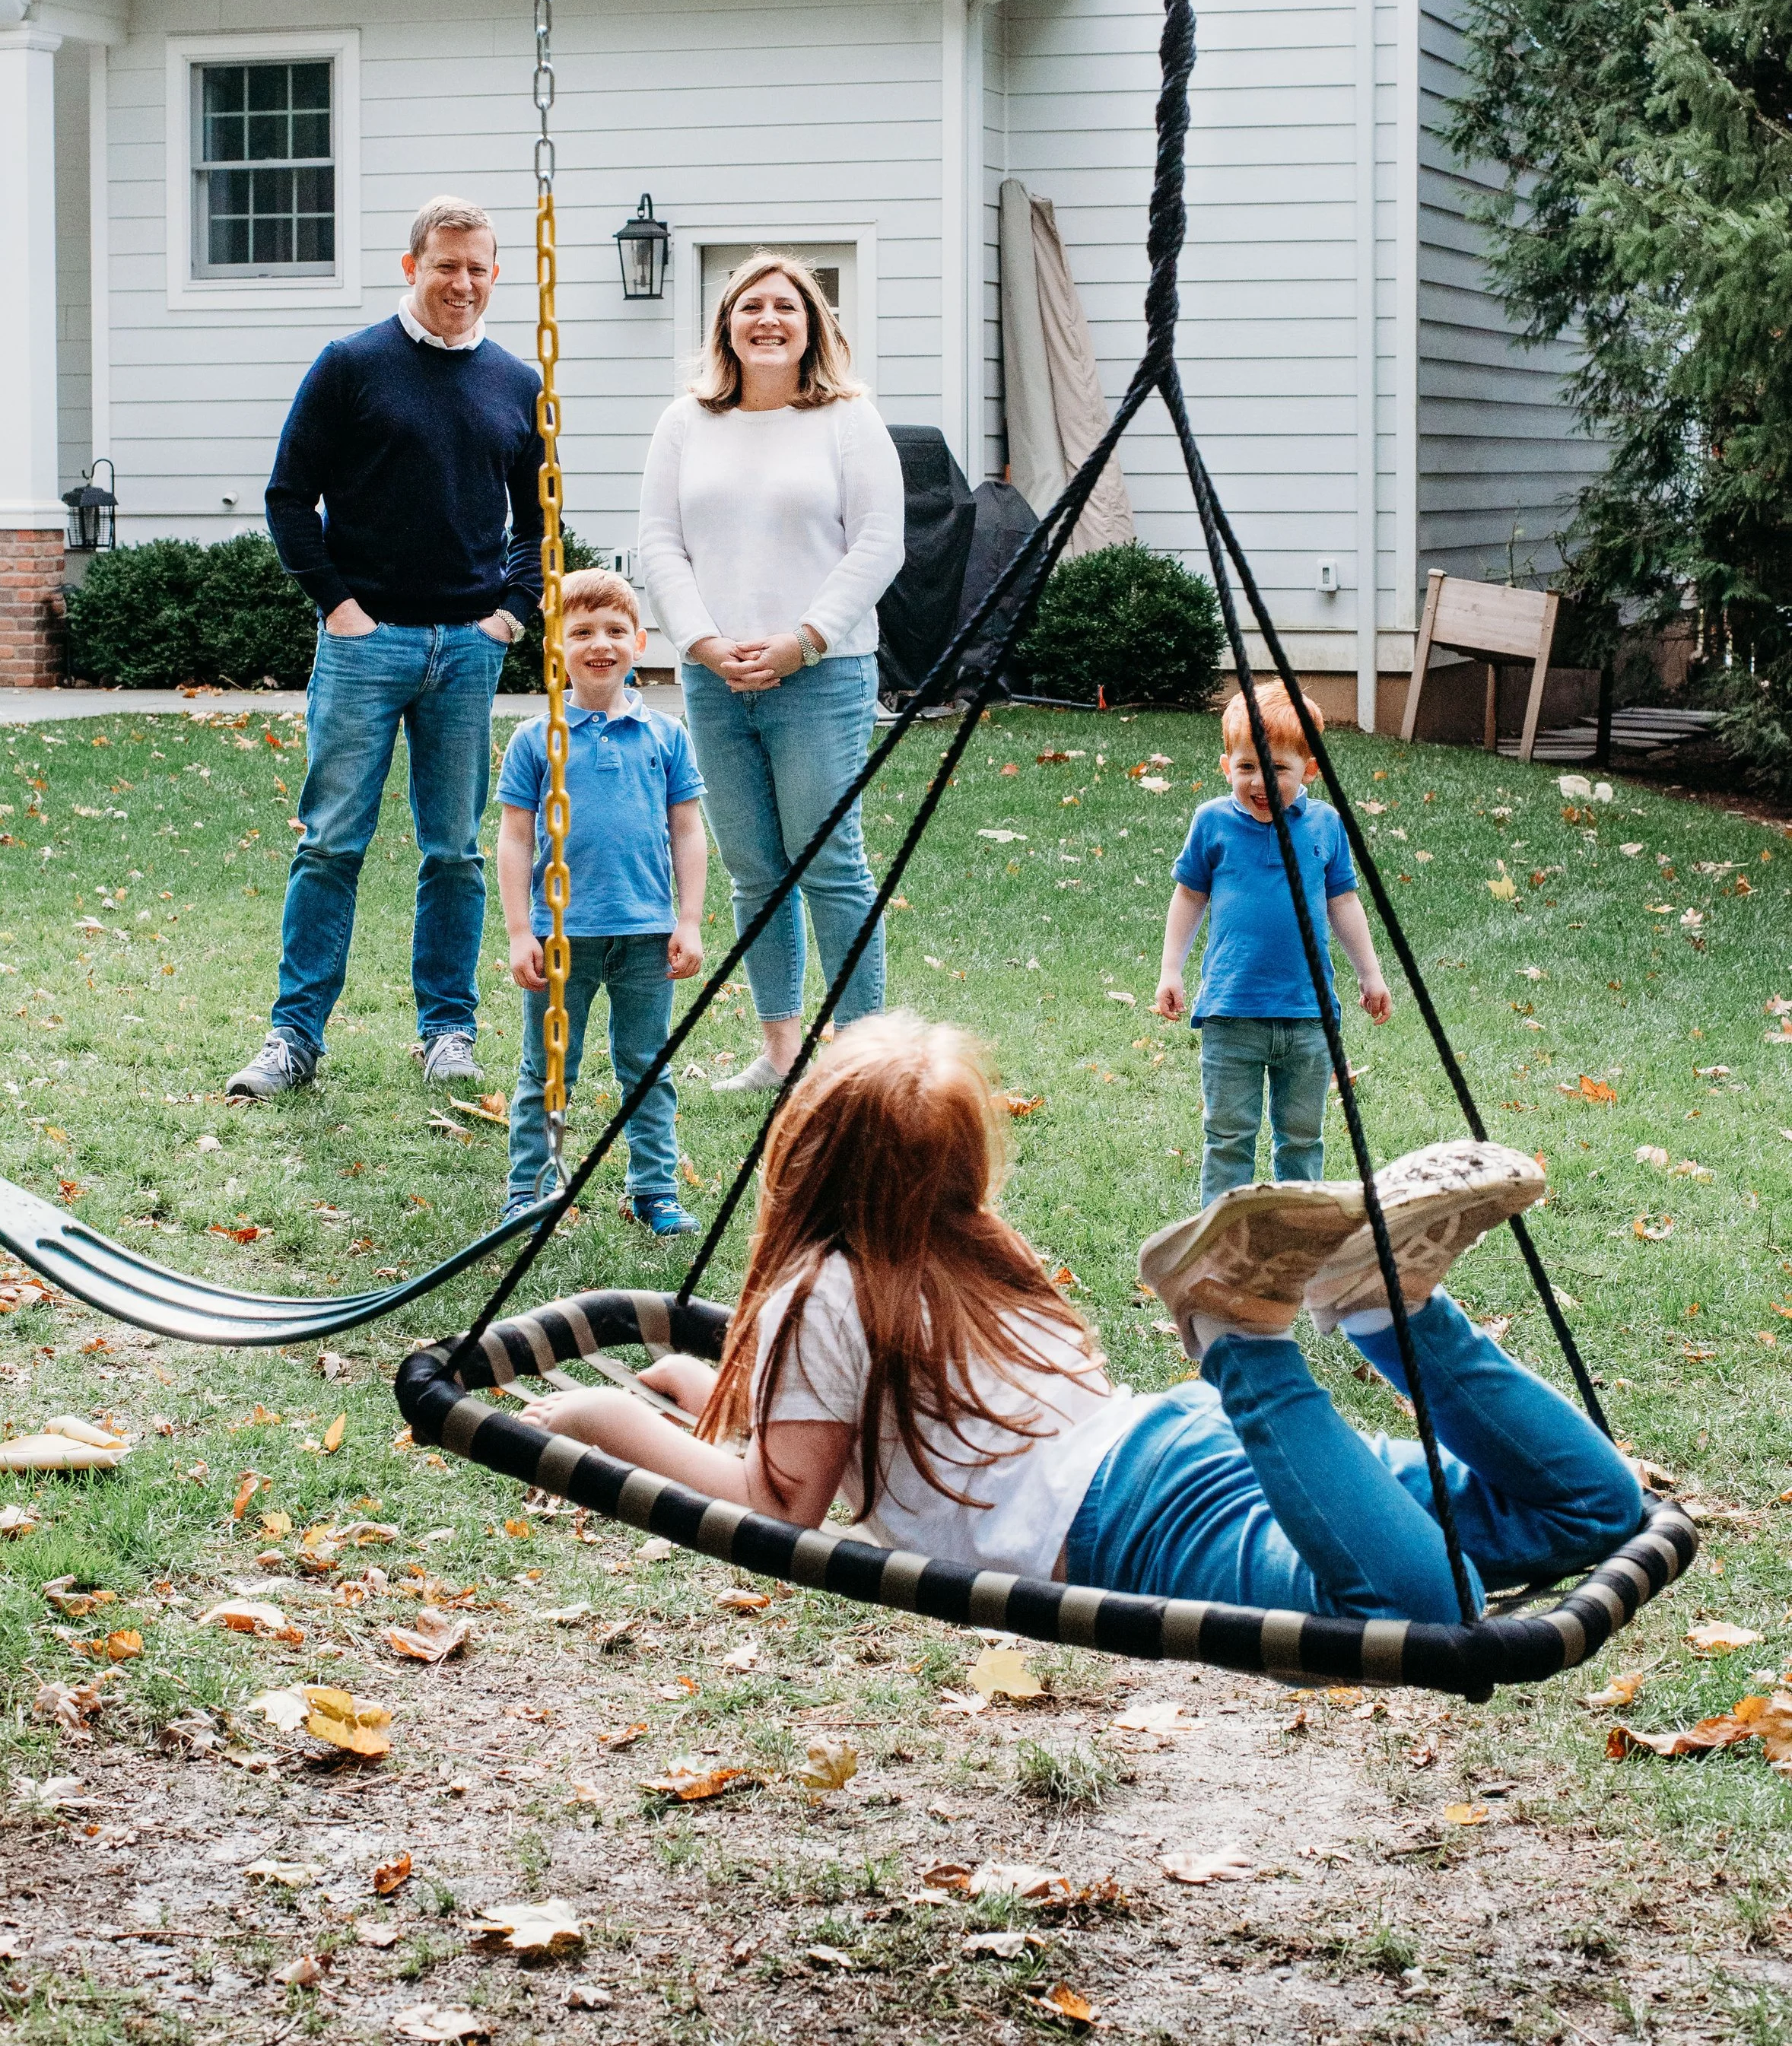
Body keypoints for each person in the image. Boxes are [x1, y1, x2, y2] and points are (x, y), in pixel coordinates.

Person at [527, 1016, 1643, 1628]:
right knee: (1597, 1511)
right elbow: (864, 1425)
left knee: (1425, 1610)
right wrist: (705, 1397)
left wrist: (599, 1420)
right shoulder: (968, 1256)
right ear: (960, 1163)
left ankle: (1242, 1338)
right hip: (1183, 1450)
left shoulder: (818, 1292)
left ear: (802, 1155)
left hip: (1135, 1527)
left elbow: (785, 1507)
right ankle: (1389, 1313)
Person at [227, 196, 544, 1103]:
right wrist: (339, 605)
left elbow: (538, 519)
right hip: (367, 647)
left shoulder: (515, 382)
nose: (463, 281)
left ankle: (448, 1031)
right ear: (412, 267)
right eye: (446, 264)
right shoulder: (351, 366)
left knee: (454, 850)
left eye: (479, 265)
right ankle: (294, 1038)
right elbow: (289, 495)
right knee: (330, 843)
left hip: (470, 649)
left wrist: (510, 615)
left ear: (495, 273)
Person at [637, 253, 904, 1093]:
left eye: (786, 306)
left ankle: (862, 1060)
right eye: (749, 305)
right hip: (714, 678)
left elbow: (878, 543)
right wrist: (703, 641)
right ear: (725, 324)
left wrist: (806, 638)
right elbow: (659, 542)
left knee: (829, 862)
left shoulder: (849, 420)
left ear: (811, 324)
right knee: (755, 869)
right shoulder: (685, 422)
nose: (767, 319)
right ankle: (781, 1054)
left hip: (820, 677)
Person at [496, 570, 708, 1236]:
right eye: (581, 631)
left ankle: (654, 1190)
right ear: (556, 648)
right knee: (548, 1067)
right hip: (562, 935)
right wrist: (518, 931)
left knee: (647, 1065)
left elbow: (687, 830)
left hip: (647, 932)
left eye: (616, 631)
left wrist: (691, 920)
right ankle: (531, 1193)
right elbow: (514, 838)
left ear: (640, 641)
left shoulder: (666, 736)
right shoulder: (536, 740)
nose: (600, 644)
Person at [1155, 680, 1393, 1209]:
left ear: (1308, 771)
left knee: (1303, 1139)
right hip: (1231, 1013)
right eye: (1246, 768)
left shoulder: (1326, 826)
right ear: (1226, 767)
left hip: (1308, 1016)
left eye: (1277, 769)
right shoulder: (1212, 822)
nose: (1260, 782)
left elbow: (1344, 904)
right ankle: (1223, 1237)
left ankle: (1295, 1233)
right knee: (1228, 1138)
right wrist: (1172, 970)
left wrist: (1370, 973)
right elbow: (1189, 897)